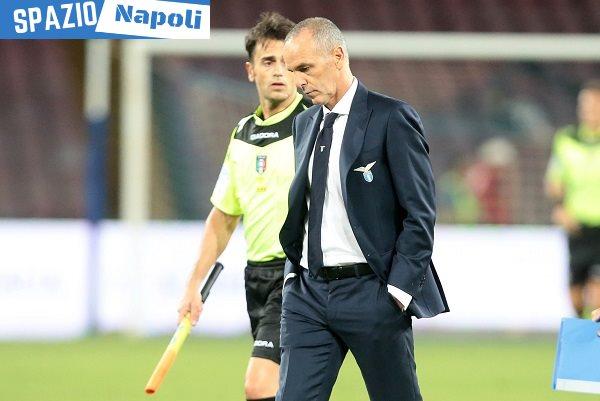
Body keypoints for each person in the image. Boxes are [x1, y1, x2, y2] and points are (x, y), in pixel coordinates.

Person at [277, 18, 449, 401]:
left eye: (306, 68)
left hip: (372, 293)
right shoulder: (304, 123)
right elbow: (305, 207)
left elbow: (420, 214)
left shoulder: (390, 117)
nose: (298, 81)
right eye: (292, 71)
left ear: (337, 56)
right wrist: (292, 278)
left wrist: (398, 292)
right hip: (307, 296)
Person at [177, 12, 310, 401]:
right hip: (257, 277)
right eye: (268, 61)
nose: (278, 71)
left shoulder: (314, 123)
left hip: (299, 275)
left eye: (286, 62)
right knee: (288, 388)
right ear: (251, 71)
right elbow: (223, 218)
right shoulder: (242, 134)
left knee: (258, 385)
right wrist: (193, 285)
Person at [545, 80, 600, 318]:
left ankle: (594, 334)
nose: (589, 110)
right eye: (585, 105)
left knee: (597, 294)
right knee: (576, 292)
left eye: (594, 105)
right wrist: (559, 208)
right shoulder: (567, 139)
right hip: (577, 226)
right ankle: (582, 330)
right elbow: (555, 180)